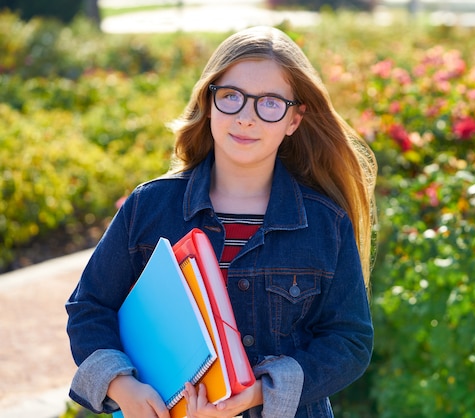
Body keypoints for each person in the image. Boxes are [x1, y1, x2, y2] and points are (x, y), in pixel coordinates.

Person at [66, 25, 377, 418]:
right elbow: (89, 308)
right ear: (209, 102)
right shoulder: (149, 207)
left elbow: (349, 341)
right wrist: (123, 386)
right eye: (232, 97)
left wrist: (259, 392)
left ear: (294, 119)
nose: (246, 118)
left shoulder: (324, 222)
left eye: (269, 103)